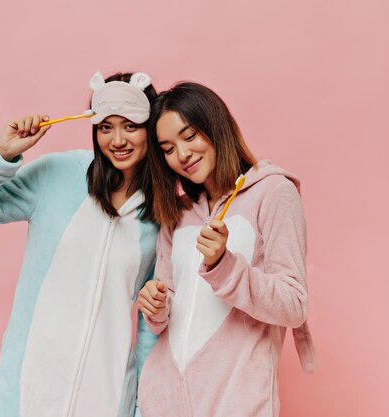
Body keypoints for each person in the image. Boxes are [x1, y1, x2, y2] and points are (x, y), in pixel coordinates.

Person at [0, 71, 159, 417]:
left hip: (107, 399)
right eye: (105, 127)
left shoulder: (162, 213)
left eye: (130, 125)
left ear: (151, 127)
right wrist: (1, 155)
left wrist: (141, 407)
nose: (117, 139)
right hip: (28, 394)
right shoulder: (58, 173)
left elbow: (151, 324)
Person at [136, 82, 316, 417]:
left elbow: (294, 305)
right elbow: (167, 311)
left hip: (236, 404)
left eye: (189, 136)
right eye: (168, 149)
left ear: (216, 126)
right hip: (163, 404)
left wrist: (225, 265)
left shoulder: (273, 192)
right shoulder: (178, 212)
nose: (182, 154)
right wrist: (156, 305)